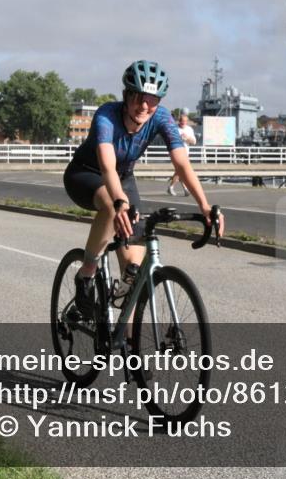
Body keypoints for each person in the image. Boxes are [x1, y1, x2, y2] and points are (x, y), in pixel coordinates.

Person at [62, 60, 224, 320]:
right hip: (86, 174)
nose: (144, 106)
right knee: (110, 203)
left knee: (134, 273)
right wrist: (119, 202)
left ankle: (126, 348)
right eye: (138, 97)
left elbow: (182, 164)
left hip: (123, 178)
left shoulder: (160, 117)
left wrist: (204, 205)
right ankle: (86, 274)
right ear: (126, 95)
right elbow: (106, 166)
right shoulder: (107, 115)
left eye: (152, 99)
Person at [167, 108, 197, 195]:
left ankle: (183, 188)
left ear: (187, 121)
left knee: (181, 171)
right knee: (180, 170)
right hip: (176, 152)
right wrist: (179, 138)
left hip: (186, 153)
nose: (183, 122)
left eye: (185, 121)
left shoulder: (189, 129)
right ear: (179, 121)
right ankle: (176, 187)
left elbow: (194, 141)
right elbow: (170, 140)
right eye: (181, 121)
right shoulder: (175, 129)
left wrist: (187, 138)